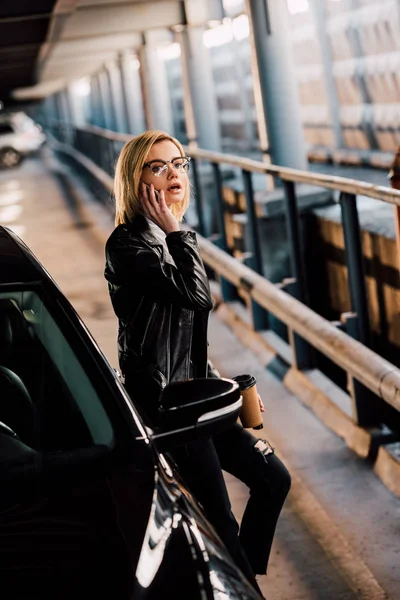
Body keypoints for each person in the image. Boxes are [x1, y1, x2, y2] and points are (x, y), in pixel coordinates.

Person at [104, 129, 290, 593]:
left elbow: (187, 336)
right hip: (168, 406)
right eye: (158, 166)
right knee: (221, 520)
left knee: (272, 479)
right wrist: (176, 233)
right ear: (135, 178)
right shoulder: (127, 245)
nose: (173, 174)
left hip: (198, 392)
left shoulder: (172, 238)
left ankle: (240, 576)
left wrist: (226, 387)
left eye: (179, 164)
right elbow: (197, 297)